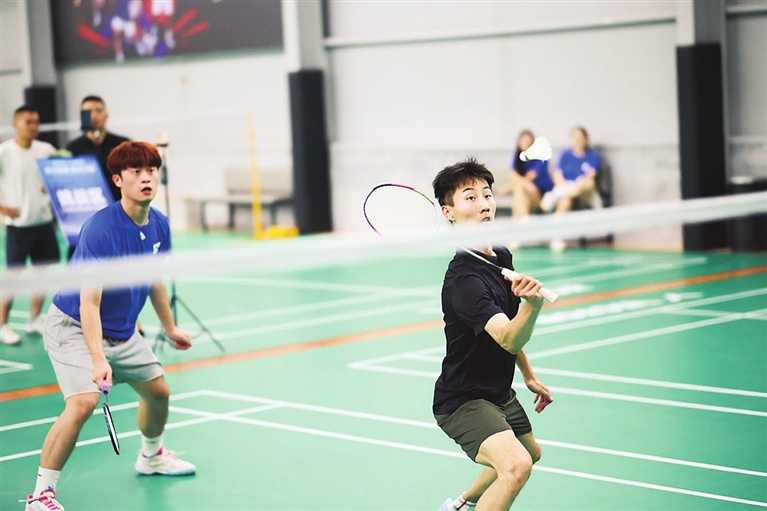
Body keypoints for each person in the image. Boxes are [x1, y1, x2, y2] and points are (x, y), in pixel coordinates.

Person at [25, 141, 196, 511]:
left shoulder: (159, 224)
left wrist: (169, 328)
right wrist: (98, 357)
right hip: (74, 325)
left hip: (122, 330)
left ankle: (151, 457)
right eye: (136, 172)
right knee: (83, 403)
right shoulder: (100, 229)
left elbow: (154, 279)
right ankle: (40, 494)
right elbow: (89, 302)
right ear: (118, 180)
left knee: (159, 392)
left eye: (151, 170)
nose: (146, 178)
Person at [431, 158, 553, 511]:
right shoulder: (464, 281)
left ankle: (460, 504)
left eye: (487, 194)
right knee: (515, 467)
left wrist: (528, 375)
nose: (484, 204)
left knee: (530, 452)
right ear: (448, 212)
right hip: (463, 400)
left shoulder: (499, 255)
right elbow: (508, 337)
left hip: (496, 391)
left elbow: (509, 317)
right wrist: (533, 306)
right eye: (470, 197)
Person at [0, 106, 61, 345]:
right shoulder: (4, 152)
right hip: (18, 225)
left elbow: (58, 179)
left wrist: (51, 185)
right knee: (13, 277)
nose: (33, 126)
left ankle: (34, 319)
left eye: (36, 122)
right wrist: (2, 208)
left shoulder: (46, 150)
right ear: (15, 124)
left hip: (43, 222)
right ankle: (2, 325)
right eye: (28, 122)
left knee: (41, 275)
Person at [541, 126, 601, 251]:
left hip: (583, 192)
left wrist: (576, 186)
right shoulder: (564, 155)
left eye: (580, 138)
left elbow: (591, 176)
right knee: (565, 201)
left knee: (589, 182)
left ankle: (555, 196)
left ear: (586, 139)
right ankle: (557, 238)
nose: (577, 141)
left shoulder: (593, 156)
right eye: (575, 138)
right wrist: (566, 188)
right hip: (566, 189)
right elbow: (557, 176)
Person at [66, 95, 130, 203]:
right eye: (88, 112)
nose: (93, 116)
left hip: (119, 205)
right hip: (87, 205)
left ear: (106, 115)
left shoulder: (123, 145)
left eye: (98, 111)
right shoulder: (73, 149)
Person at [498, 130, 554, 219]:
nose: (527, 145)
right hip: (526, 192)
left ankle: (519, 221)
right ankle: (522, 220)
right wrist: (519, 185)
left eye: (529, 142)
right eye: (524, 142)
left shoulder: (541, 156)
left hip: (541, 194)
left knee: (521, 188)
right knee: (520, 191)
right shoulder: (517, 157)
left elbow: (529, 177)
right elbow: (513, 176)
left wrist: (507, 188)